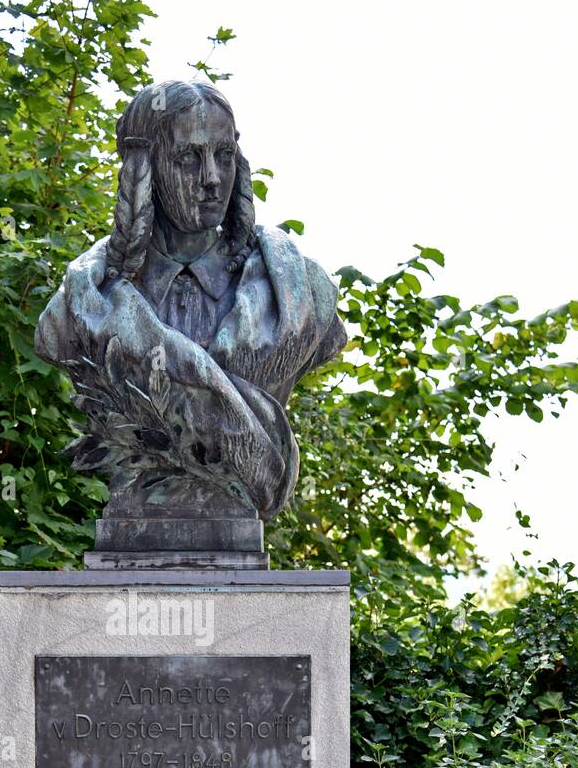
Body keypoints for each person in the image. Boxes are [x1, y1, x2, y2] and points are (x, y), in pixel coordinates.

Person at [35, 80, 346, 523]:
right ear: (145, 171)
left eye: (223, 156)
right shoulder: (84, 301)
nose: (211, 179)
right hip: (133, 520)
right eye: (188, 158)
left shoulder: (297, 294)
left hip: (238, 523)